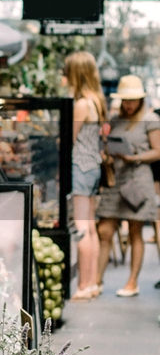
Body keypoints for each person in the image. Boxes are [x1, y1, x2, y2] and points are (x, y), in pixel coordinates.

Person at [96, 74, 160, 297]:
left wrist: (136, 157)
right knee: (104, 229)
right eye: (125, 100)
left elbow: (158, 151)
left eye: (132, 100)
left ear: (141, 99)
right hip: (116, 180)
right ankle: (96, 281)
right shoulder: (115, 120)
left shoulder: (150, 119)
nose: (128, 104)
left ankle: (132, 282)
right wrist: (109, 155)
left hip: (138, 180)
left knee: (135, 231)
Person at [64, 52, 108, 300]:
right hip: (93, 166)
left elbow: (69, 137)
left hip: (80, 166)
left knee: (82, 226)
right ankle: (91, 283)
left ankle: (83, 285)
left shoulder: (81, 104)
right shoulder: (96, 101)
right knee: (90, 226)